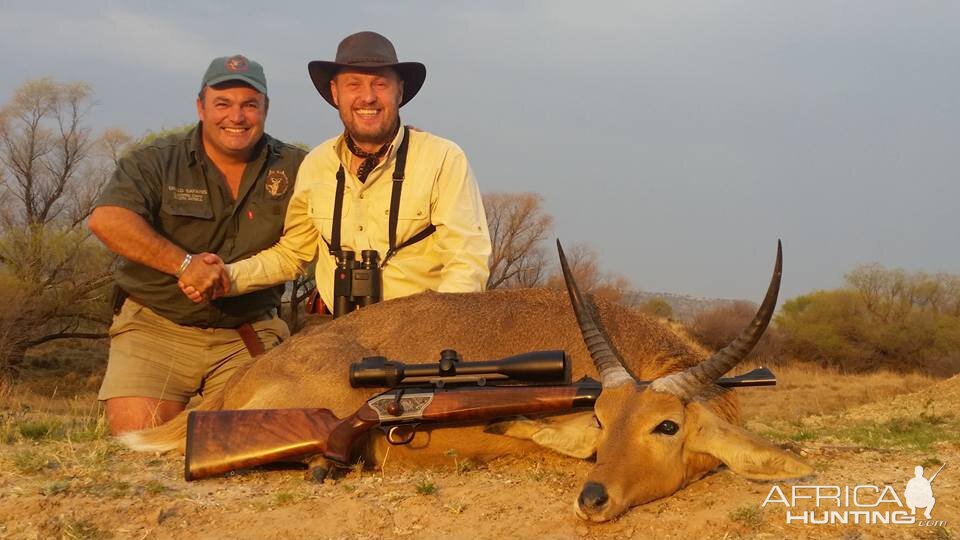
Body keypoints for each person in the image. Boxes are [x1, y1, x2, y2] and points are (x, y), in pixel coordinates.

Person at [185, 31, 490, 312]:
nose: (367, 97)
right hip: (337, 335)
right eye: (353, 84)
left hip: (419, 333)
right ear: (335, 93)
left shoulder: (443, 158)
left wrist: (436, 333)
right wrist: (225, 276)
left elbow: (467, 262)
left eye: (380, 84)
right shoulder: (317, 163)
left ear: (400, 91)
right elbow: (292, 254)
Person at [87, 55, 306, 434]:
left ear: (265, 110)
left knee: (250, 443)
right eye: (222, 103)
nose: (236, 117)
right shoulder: (154, 161)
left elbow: (349, 178)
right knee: (140, 443)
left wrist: (400, 141)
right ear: (200, 107)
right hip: (156, 327)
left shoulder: (298, 166)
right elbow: (107, 220)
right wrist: (184, 264)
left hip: (247, 332)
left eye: (249, 105)